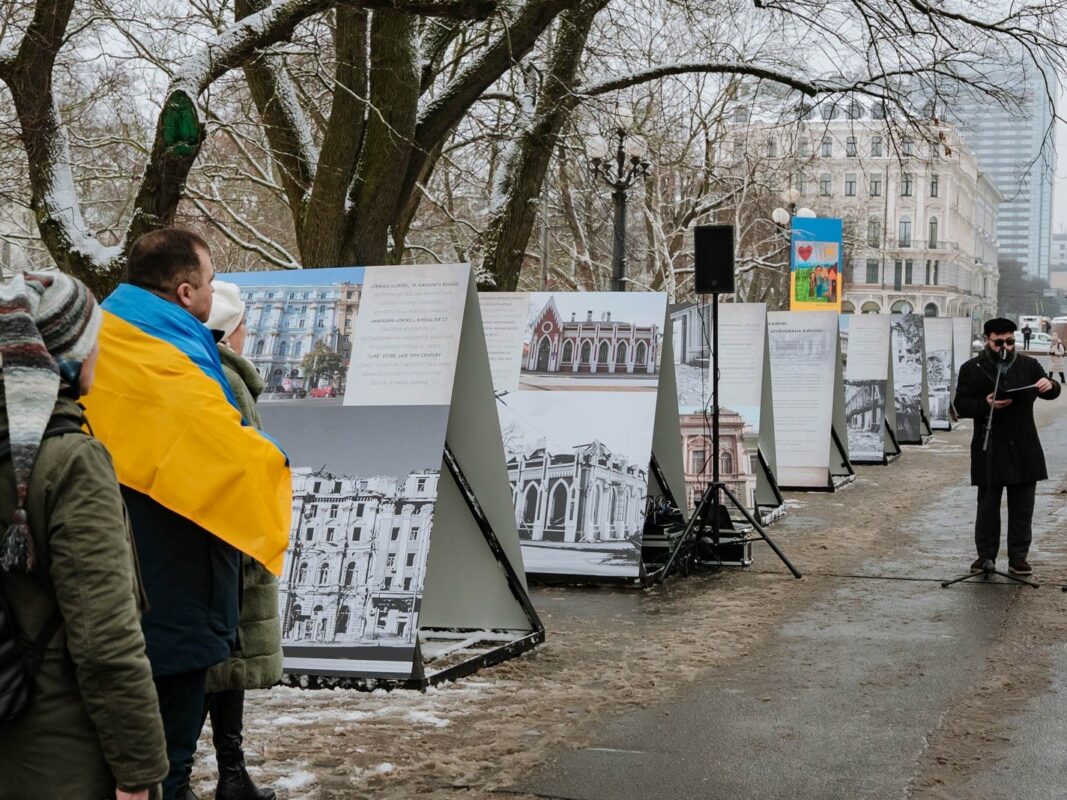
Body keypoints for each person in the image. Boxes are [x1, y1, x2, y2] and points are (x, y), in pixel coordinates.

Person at [0, 272, 168, 799]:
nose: (100, 351)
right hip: (59, 755)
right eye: (94, 339)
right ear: (66, 355)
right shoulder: (71, 460)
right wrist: (139, 772)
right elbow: (104, 641)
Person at [202, 282, 281, 800]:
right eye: (245, 324)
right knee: (219, 663)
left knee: (220, 667)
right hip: (230, 545)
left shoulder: (211, 371)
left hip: (218, 543)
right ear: (231, 330)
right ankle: (223, 776)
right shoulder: (229, 378)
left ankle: (229, 775)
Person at [954, 318, 1060, 576]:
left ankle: (1018, 557)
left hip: (1024, 445)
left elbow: (1050, 391)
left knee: (1022, 506)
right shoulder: (971, 368)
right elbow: (961, 405)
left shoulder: (1028, 365)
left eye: (1010, 341)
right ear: (987, 340)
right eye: (999, 342)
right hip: (989, 445)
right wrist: (985, 404)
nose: (1005, 346)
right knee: (988, 506)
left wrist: (1051, 385)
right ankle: (985, 556)